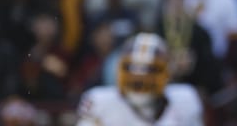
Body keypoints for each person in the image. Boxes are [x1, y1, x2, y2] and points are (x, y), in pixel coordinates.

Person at [75, 32, 204, 125]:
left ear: (167, 71)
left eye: (150, 69)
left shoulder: (184, 99)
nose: (140, 77)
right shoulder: (99, 101)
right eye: (132, 68)